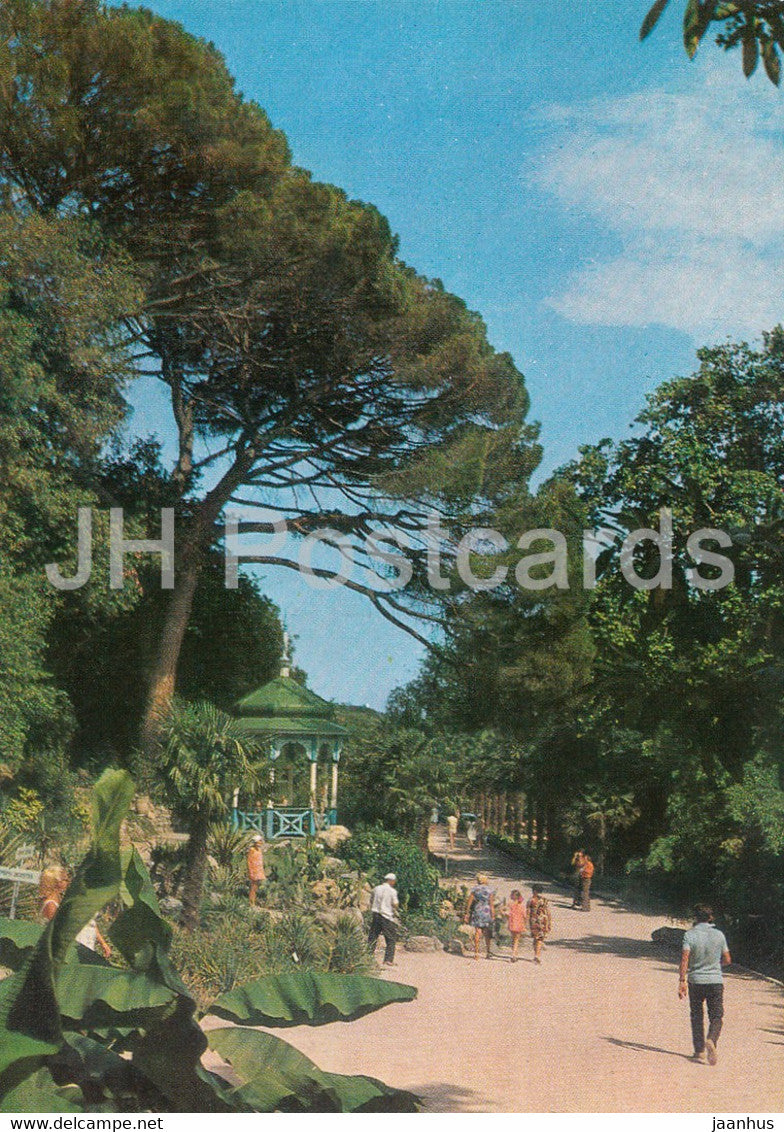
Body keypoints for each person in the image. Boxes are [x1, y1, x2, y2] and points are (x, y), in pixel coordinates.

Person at [679, 904, 731, 1065]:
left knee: (696, 1014)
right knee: (716, 1016)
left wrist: (682, 980)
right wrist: (715, 967)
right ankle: (712, 1039)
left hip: (696, 980)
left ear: (695, 917)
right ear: (711, 918)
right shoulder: (719, 935)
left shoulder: (689, 935)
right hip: (715, 980)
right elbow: (727, 960)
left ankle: (699, 1050)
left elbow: (685, 959)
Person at [39, 866, 111, 958]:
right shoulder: (51, 904)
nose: (68, 882)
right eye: (65, 880)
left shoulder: (60, 901)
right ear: (56, 883)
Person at [368, 872, 399, 966]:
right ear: (391, 881)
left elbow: (371, 900)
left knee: (373, 937)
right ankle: (388, 960)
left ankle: (367, 956)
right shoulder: (392, 891)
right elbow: (395, 904)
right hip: (386, 916)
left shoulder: (376, 889)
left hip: (376, 915)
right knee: (391, 938)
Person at [464, 872, 495, 960]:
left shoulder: (475, 889)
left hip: (477, 910)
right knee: (487, 932)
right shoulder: (490, 890)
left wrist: (467, 912)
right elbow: (491, 903)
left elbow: (469, 902)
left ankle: (476, 953)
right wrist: (493, 915)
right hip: (486, 911)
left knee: (477, 931)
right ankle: (488, 952)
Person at [527, 884, 552, 964]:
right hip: (543, 920)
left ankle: (536, 955)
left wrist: (526, 923)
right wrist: (549, 922)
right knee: (540, 938)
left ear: (534, 891)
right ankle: (537, 955)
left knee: (536, 938)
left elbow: (528, 912)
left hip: (534, 920)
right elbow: (548, 912)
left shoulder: (530, 900)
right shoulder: (545, 900)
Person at [507, 889, 527, 962]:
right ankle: (514, 954)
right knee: (517, 940)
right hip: (519, 924)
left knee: (513, 939)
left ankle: (513, 953)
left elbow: (506, 913)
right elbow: (525, 915)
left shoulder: (510, 905)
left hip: (512, 923)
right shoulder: (522, 906)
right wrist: (526, 923)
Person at [247, 834, 266, 907]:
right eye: (259, 841)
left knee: (256, 886)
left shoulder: (260, 850)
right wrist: (250, 871)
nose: (260, 842)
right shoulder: (252, 850)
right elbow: (249, 861)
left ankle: (253, 901)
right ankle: (251, 902)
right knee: (253, 886)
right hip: (253, 870)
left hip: (259, 869)